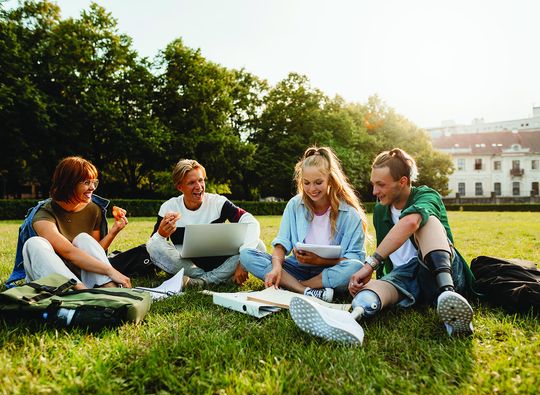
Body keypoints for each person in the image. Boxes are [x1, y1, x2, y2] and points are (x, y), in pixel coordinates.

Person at [290, 148, 475, 344]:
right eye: (373, 184)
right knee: (370, 290)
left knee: (426, 222)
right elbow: (388, 256)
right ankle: (348, 319)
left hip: (442, 273)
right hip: (405, 279)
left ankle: (448, 295)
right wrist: (370, 280)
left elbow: (411, 222)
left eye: (380, 185)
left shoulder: (426, 196)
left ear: (402, 182)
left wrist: (370, 264)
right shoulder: (380, 210)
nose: (374, 191)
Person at [240, 146, 368, 302]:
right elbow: (282, 244)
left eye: (318, 182)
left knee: (356, 267)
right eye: (306, 183)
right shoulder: (294, 205)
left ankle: (296, 287)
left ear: (330, 180)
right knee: (246, 255)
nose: (312, 189)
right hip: (297, 268)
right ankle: (305, 291)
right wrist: (276, 268)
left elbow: (356, 261)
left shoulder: (349, 214)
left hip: (331, 271)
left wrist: (320, 261)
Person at [11, 156, 131, 290]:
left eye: (94, 182)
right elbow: (68, 252)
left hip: (80, 272)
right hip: (51, 276)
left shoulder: (93, 209)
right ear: (68, 184)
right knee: (33, 243)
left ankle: (107, 286)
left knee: (84, 239)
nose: (92, 187)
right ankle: (80, 291)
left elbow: (94, 251)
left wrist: (114, 231)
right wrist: (111, 271)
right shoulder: (43, 215)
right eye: (86, 182)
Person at [146, 159, 265, 288]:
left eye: (201, 180)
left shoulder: (218, 202)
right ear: (180, 187)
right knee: (154, 245)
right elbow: (154, 246)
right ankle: (221, 278)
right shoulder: (169, 207)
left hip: (222, 262)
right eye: (191, 183)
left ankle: (202, 282)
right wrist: (161, 234)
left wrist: (243, 262)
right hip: (189, 266)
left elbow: (250, 221)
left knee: (258, 245)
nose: (199, 186)